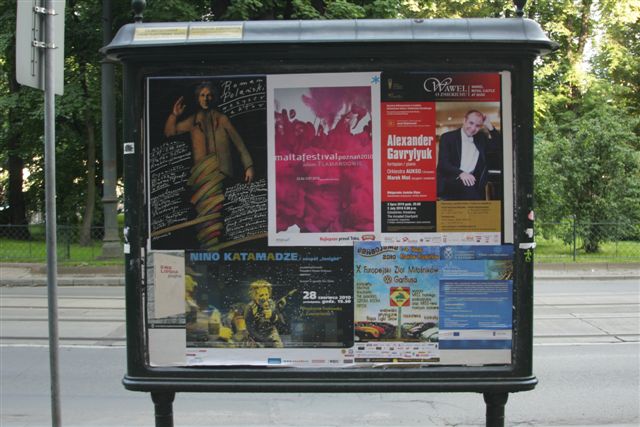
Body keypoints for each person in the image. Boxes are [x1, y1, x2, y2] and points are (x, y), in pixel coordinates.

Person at [164, 82, 254, 183]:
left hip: (223, 175)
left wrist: (248, 166)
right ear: (198, 98)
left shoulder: (222, 119)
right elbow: (169, 133)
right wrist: (174, 115)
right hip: (202, 177)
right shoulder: (193, 120)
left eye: (209, 95)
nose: (205, 99)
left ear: (213, 97)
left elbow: (239, 143)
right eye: (202, 95)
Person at [436, 110, 502, 200]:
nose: (473, 128)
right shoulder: (448, 137)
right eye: (471, 123)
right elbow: (443, 164)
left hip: (473, 184)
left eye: (477, 126)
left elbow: (500, 146)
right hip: (451, 182)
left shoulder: (481, 138)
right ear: (464, 120)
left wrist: (489, 125)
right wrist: (461, 173)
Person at [244, 280, 285, 347]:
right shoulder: (250, 308)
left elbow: (282, 324)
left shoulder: (271, 303)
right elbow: (251, 330)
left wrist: (272, 316)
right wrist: (264, 340)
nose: (265, 298)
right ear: (254, 296)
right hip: (256, 339)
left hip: (272, 336)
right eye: (261, 295)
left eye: (266, 294)